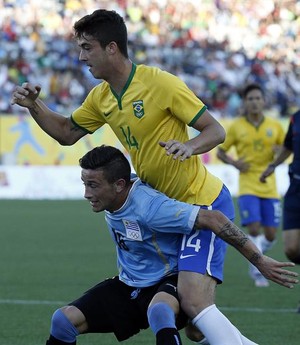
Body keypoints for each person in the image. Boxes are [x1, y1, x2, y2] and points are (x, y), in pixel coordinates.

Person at [8, 9, 277, 345]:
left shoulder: (159, 83)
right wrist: (35, 106)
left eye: (87, 47)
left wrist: (189, 147)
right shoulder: (102, 97)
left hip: (200, 199)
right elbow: (66, 132)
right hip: (162, 207)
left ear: (111, 48)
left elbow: (215, 130)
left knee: (193, 300)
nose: (80, 57)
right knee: (193, 323)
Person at [45, 144, 298, 345]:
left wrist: (259, 260)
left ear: (120, 185)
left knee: (160, 311)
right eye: (84, 184)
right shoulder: (115, 190)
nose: (86, 194)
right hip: (129, 283)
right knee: (63, 321)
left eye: (93, 185)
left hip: (169, 280)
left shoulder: (151, 207)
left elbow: (214, 218)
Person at [217, 83, 285, 288]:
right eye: (250, 99)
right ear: (245, 103)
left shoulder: (275, 126)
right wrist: (234, 163)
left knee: (272, 234)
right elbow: (221, 151)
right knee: (254, 228)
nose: (254, 102)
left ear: (264, 101)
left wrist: (278, 153)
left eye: (258, 98)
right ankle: (256, 268)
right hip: (247, 185)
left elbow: (286, 149)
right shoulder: (237, 127)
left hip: (269, 184)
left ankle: (259, 255)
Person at [260, 109, 300, 311]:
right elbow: (288, 147)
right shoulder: (295, 117)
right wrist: (273, 166)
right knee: (292, 249)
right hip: (295, 187)